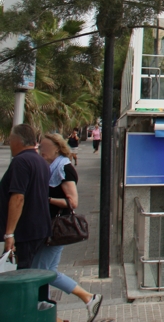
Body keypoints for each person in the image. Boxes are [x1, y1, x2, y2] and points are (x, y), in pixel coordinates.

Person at [31, 133, 103, 322]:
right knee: (49, 272)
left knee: (39, 272)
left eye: (45, 147)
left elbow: (73, 202)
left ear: (57, 148)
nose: (41, 151)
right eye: (40, 147)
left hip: (56, 229)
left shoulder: (64, 168)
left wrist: (47, 199)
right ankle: (88, 299)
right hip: (49, 227)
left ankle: (49, 314)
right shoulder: (50, 167)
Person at [1, 124, 51, 269]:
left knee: (22, 273)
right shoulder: (41, 161)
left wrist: (9, 234)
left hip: (25, 231)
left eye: (11, 139)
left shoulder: (21, 162)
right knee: (34, 270)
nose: (10, 144)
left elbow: (18, 198)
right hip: (38, 228)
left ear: (18, 140)